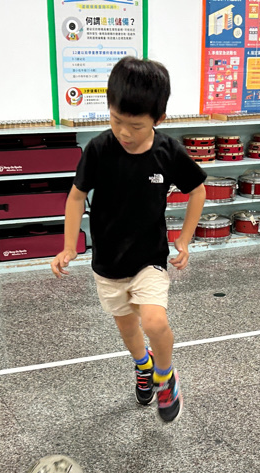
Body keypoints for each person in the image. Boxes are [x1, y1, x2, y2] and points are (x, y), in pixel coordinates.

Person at [51, 57, 206, 423]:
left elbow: (197, 190)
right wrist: (69, 246)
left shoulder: (168, 152)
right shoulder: (98, 149)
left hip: (149, 258)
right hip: (108, 262)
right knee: (127, 328)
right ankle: (143, 365)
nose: (124, 132)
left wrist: (185, 240)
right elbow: (76, 196)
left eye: (135, 126)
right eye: (116, 120)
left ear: (158, 119)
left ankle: (165, 376)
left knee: (153, 322)